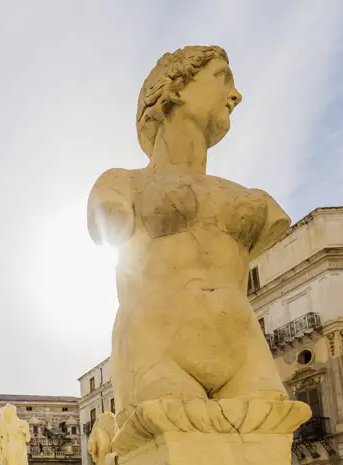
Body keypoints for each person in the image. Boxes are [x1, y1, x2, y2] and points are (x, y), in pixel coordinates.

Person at [87, 46, 291, 426]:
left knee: (262, 462)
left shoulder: (254, 201)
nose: (236, 94)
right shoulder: (120, 184)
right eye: (221, 77)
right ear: (175, 89)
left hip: (243, 347)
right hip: (156, 346)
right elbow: (107, 222)